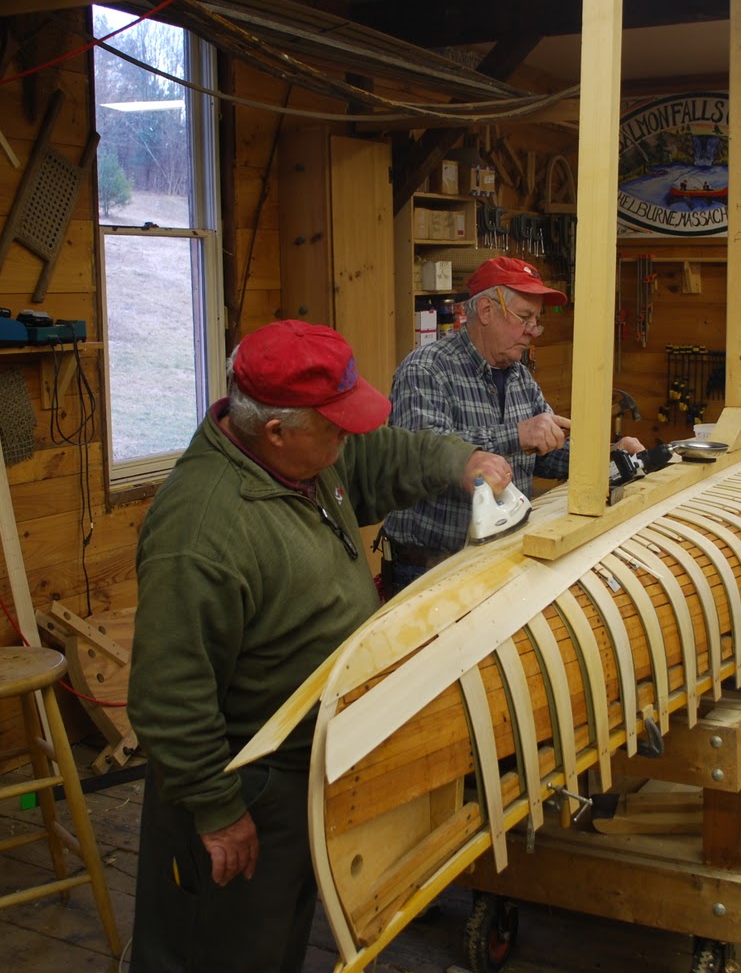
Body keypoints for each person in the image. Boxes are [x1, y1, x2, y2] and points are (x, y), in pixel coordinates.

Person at [126, 320, 511, 973]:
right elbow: (169, 692)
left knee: (274, 944)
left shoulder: (305, 460)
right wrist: (217, 812)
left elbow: (384, 455)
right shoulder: (203, 529)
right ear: (276, 429)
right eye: (334, 425)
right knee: (214, 952)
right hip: (245, 784)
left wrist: (461, 461)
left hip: (302, 773)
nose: (347, 438)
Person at [379, 255, 643, 597]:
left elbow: (547, 454)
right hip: (427, 571)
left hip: (499, 559)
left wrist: (611, 457)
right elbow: (421, 454)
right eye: (524, 317)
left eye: (536, 320)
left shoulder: (519, 375)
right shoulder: (426, 369)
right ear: (487, 311)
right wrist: (518, 434)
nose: (533, 331)